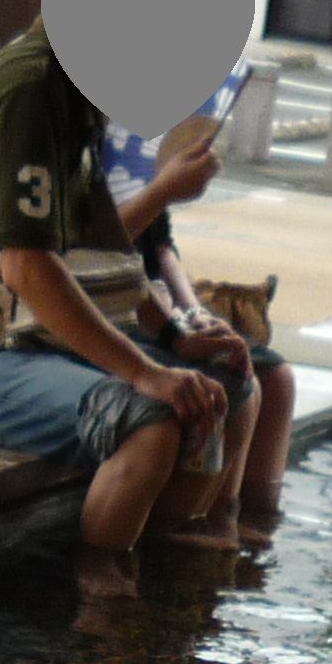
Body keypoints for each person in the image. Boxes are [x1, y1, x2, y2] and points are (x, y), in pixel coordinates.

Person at [0, 0, 258, 595]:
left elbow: (105, 254)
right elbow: (29, 268)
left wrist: (174, 343)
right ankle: (97, 611)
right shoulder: (27, 91)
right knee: (150, 422)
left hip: (28, 341)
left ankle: (166, 575)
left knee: (219, 384)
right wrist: (145, 371)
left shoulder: (75, 92)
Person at [102, 101, 296, 549]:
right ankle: (207, 522)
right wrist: (164, 189)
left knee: (275, 378)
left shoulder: (141, 145)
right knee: (226, 381)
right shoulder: (95, 147)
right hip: (120, 303)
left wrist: (193, 310)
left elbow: (160, 244)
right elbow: (101, 249)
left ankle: (252, 516)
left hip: (156, 301)